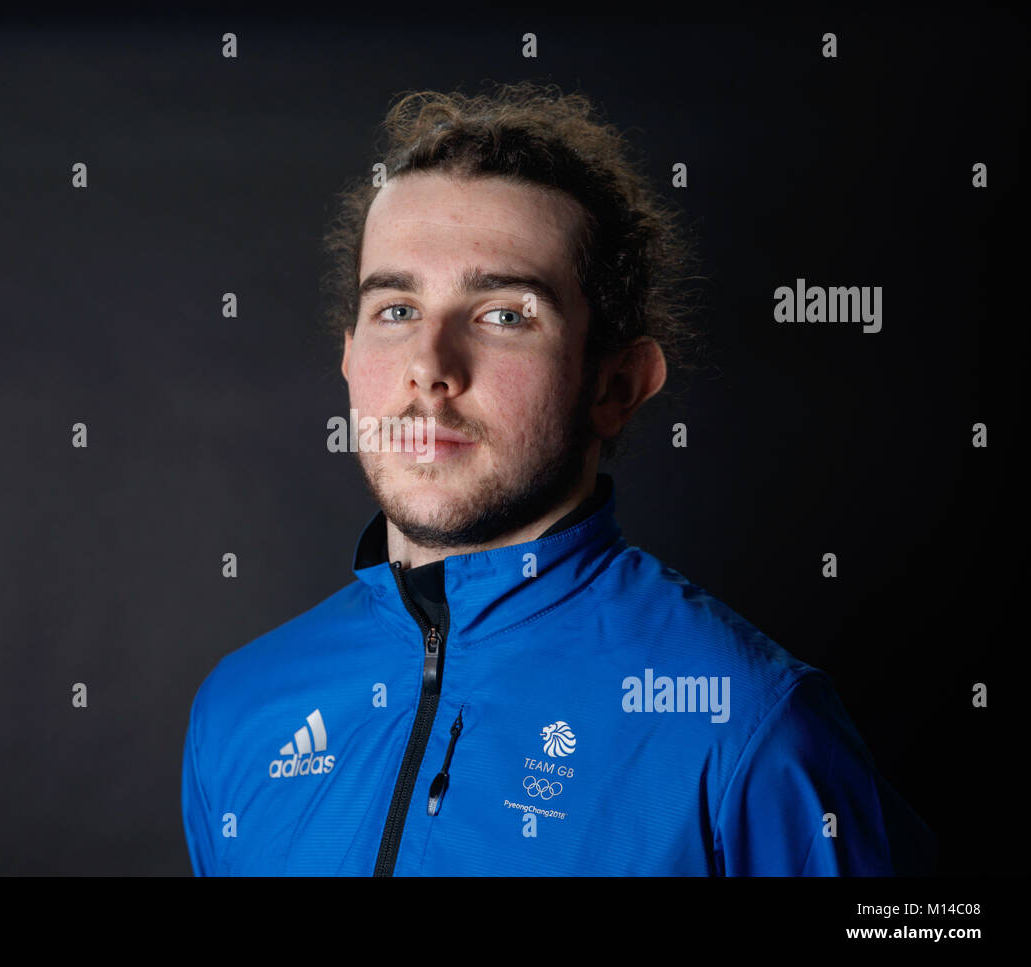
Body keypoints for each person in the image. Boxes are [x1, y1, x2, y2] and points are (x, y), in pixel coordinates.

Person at [180, 81, 936, 876]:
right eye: (396, 309)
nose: (429, 369)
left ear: (615, 385)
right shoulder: (240, 708)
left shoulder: (749, 726)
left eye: (505, 314)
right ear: (347, 356)